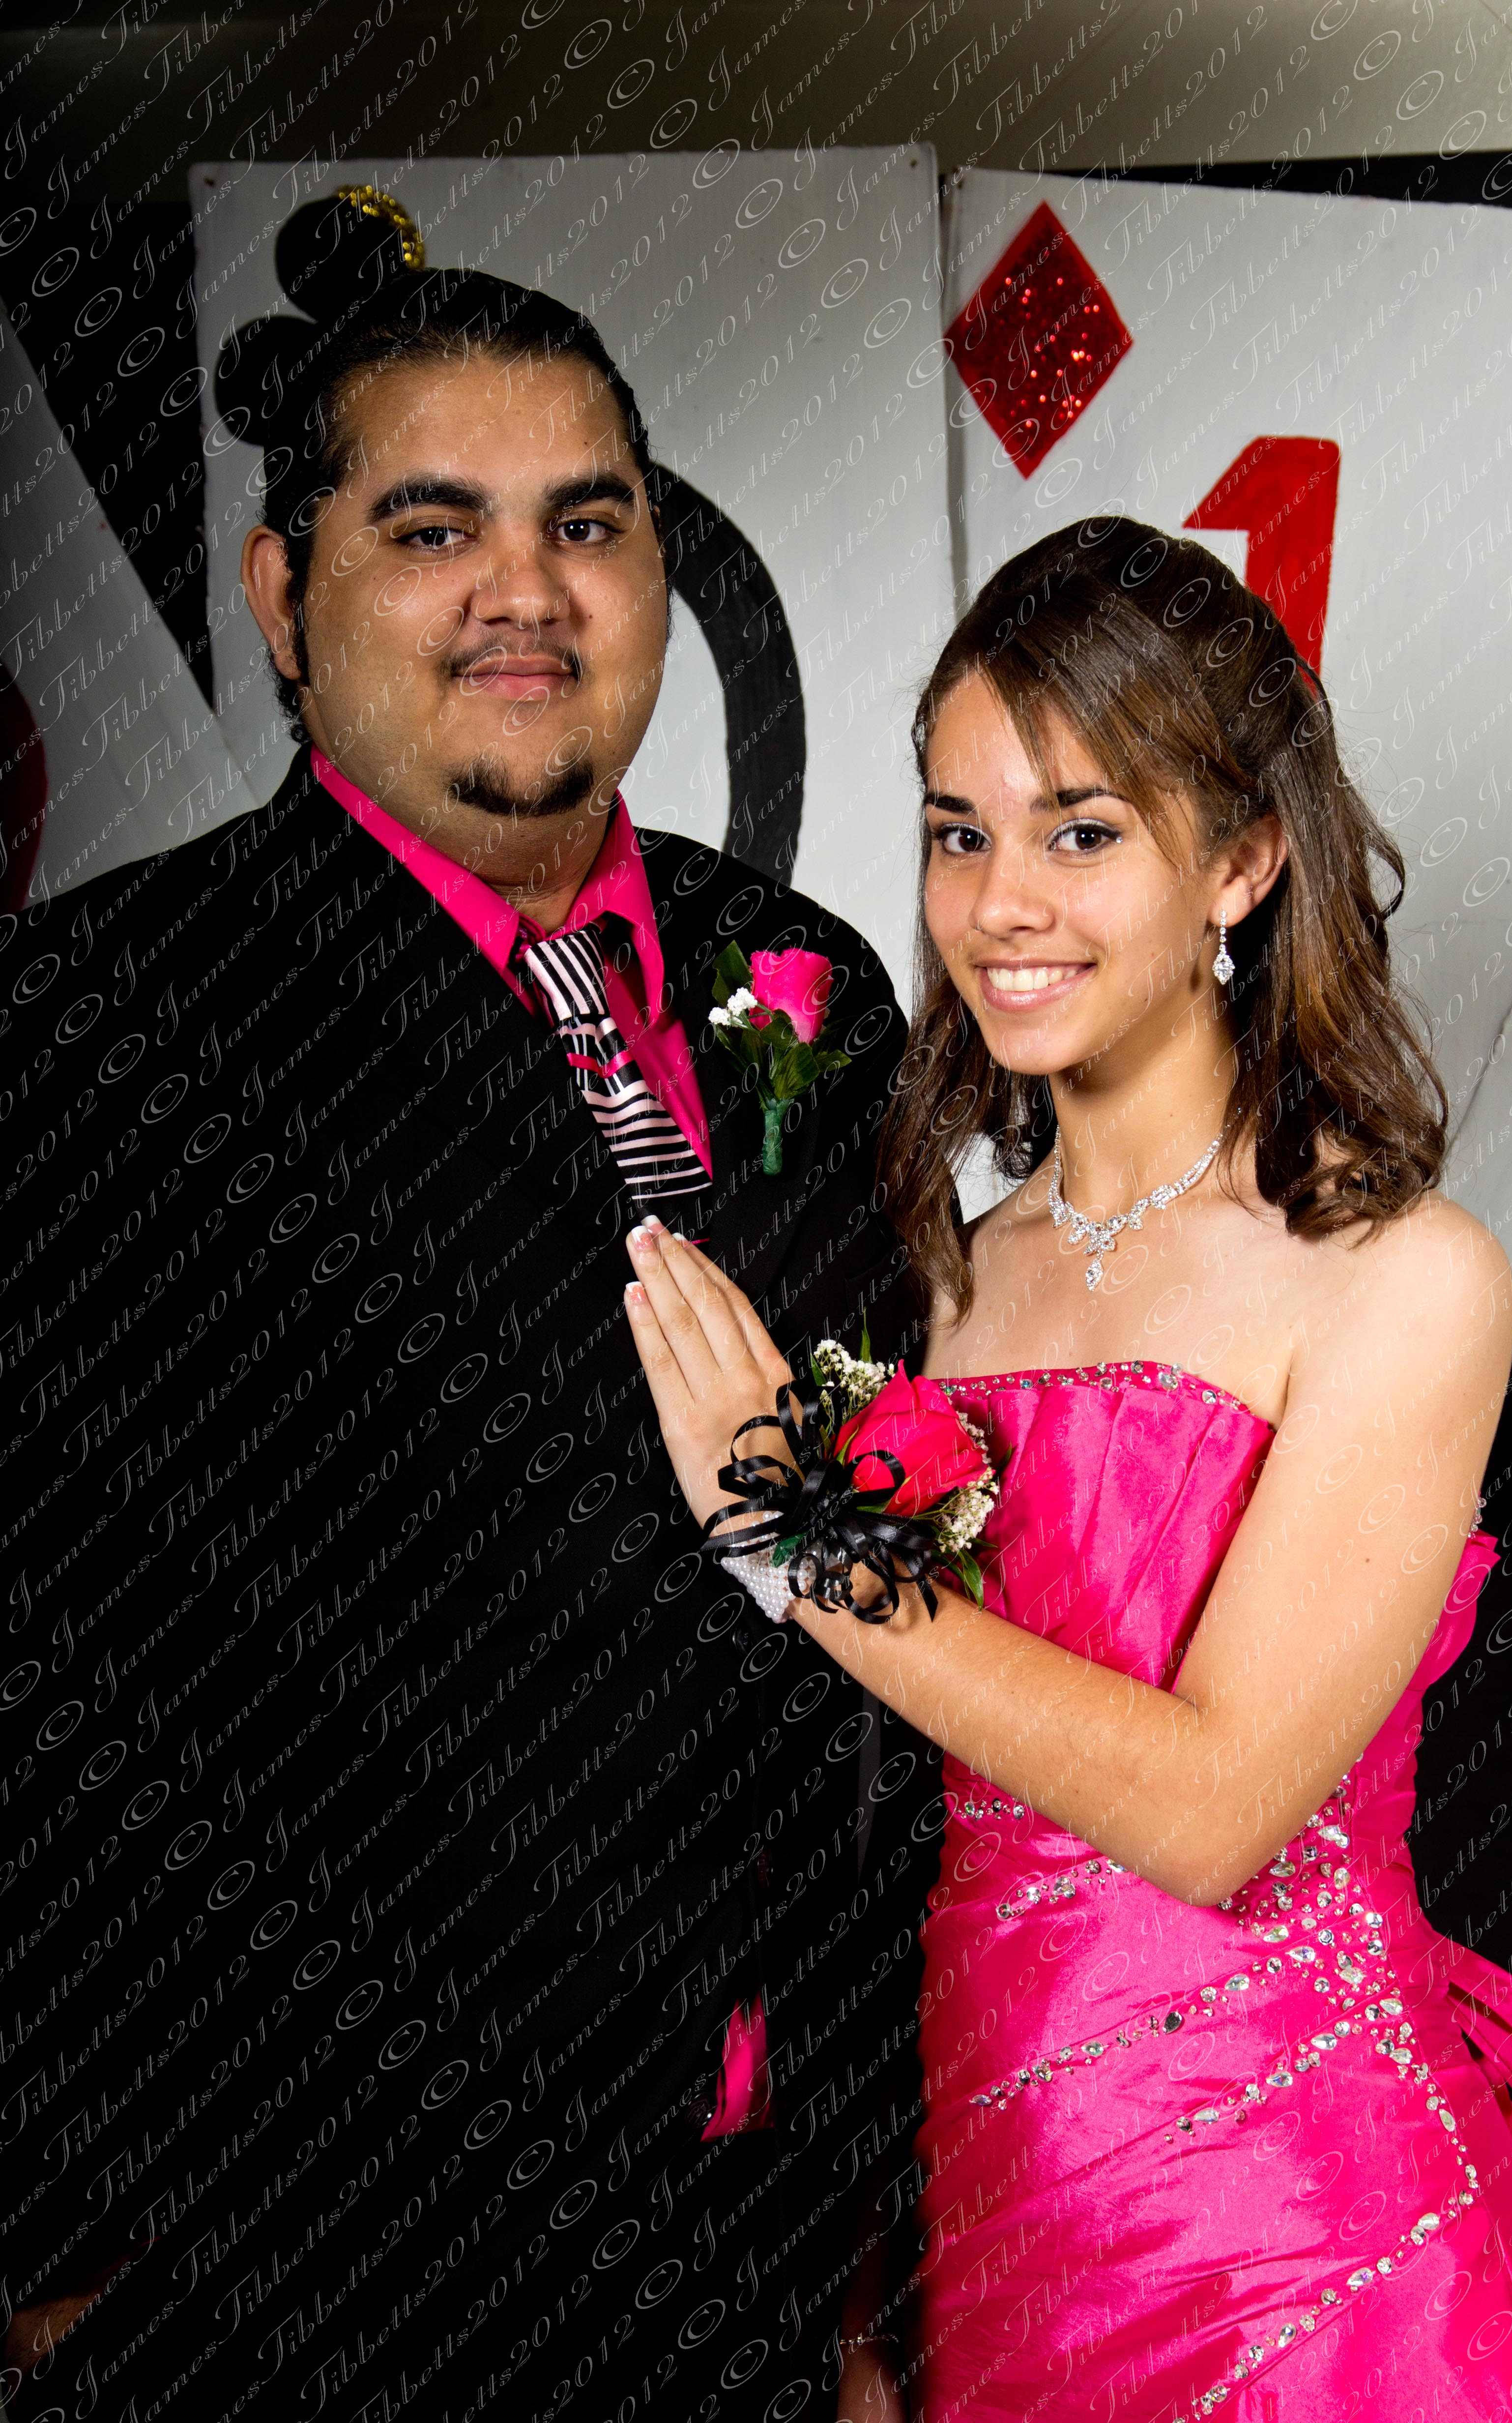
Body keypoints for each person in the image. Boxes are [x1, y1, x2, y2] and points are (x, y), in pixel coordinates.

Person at [0, 194, 934, 2421]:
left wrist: (877, 2240)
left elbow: (876, 1587)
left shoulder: (807, 978)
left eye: (585, 523)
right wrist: (53, 2262)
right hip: (302, 2258)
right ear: (283, 597)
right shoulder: (101, 1024)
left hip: (761, 2241)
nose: (526, 588)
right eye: (433, 529)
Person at [625, 516, 1512, 2422]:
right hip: (993, 2215)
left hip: (1315, 2243)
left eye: (1081, 831)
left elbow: (1214, 1809)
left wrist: (794, 1537)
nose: (999, 905)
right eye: (957, 831)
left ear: (1242, 858)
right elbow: (882, 1826)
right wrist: (868, 2272)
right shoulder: (939, 1278)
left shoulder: (1402, 1275)